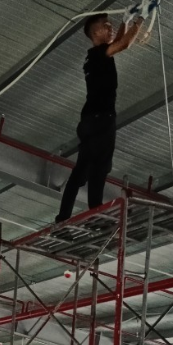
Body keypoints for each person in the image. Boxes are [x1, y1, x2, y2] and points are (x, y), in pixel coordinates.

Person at [55, 12, 144, 224]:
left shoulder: (94, 56)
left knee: (82, 170)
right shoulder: (100, 53)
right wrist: (140, 19)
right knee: (100, 168)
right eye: (107, 25)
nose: (111, 28)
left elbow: (117, 42)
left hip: (89, 121)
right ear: (96, 32)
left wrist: (125, 21)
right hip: (102, 118)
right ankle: (95, 214)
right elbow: (124, 44)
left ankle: (63, 218)